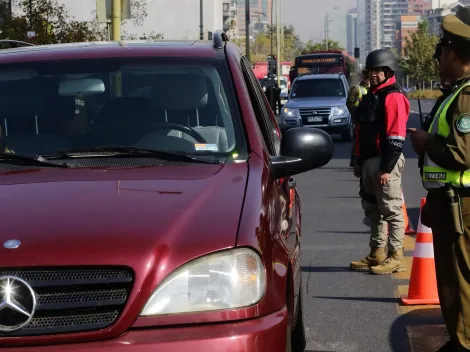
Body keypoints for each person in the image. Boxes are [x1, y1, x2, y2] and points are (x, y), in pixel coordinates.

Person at [408, 7, 470, 352]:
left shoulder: (466, 98)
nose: (438, 59)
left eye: (442, 51)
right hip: (448, 203)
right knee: (449, 281)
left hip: (461, 205)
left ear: (453, 53)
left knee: (460, 281)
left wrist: (425, 142)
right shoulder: (456, 93)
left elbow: (462, 155)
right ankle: (458, 340)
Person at [349, 48, 410, 275]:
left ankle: (396, 256)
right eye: (371, 70)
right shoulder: (371, 95)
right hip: (368, 162)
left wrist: (387, 167)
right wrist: (357, 160)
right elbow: (360, 130)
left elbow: (396, 136)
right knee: (372, 210)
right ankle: (377, 253)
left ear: (388, 71)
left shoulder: (392, 96)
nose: (373, 74)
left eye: (378, 70)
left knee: (392, 210)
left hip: (383, 162)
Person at [347, 69, 370, 167]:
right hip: (359, 118)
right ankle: (355, 158)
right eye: (366, 78)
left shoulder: (375, 88)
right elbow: (349, 103)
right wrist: (355, 113)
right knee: (358, 138)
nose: (368, 80)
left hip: (370, 117)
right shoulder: (356, 89)